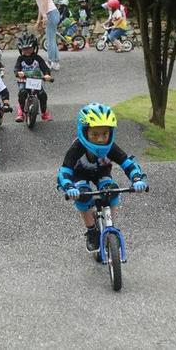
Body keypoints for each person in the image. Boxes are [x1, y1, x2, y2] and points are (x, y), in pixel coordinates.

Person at [56, 103, 148, 252]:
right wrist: (68, 186)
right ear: (84, 132)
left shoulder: (111, 146)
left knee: (112, 191)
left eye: (105, 134)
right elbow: (65, 169)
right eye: (95, 134)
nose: (100, 139)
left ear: (110, 133)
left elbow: (127, 163)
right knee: (83, 196)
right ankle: (91, 230)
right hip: (80, 174)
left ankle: (111, 226)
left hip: (102, 173)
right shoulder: (78, 147)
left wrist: (137, 179)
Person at [24, 0, 60, 70]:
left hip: (51, 13)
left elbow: (44, 0)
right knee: (51, 38)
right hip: (49, 13)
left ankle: (51, 61)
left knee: (50, 39)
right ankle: (55, 62)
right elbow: (40, 6)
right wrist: (38, 20)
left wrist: (45, 16)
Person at [14, 32, 53, 122]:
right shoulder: (20, 59)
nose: (27, 51)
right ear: (21, 49)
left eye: (29, 48)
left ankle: (44, 112)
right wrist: (18, 72)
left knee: (42, 95)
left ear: (34, 48)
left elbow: (44, 67)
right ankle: (21, 111)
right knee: (22, 93)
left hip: (36, 81)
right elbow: (16, 68)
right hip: (23, 81)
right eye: (24, 49)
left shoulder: (37, 58)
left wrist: (47, 74)